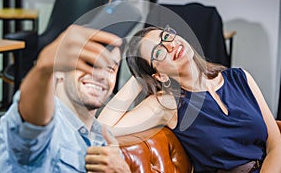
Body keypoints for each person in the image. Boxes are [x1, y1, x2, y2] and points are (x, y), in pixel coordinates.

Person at [98, 25, 281, 172]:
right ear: (160, 76)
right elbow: (102, 128)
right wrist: (139, 78)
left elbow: (275, 143)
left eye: (166, 36)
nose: (169, 46)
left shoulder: (240, 78)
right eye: (158, 52)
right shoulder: (169, 104)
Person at [0, 25, 131, 173]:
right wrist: (44, 67)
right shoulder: (49, 128)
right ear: (59, 70)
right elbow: (31, 127)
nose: (100, 75)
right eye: (89, 63)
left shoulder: (106, 140)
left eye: (110, 68)